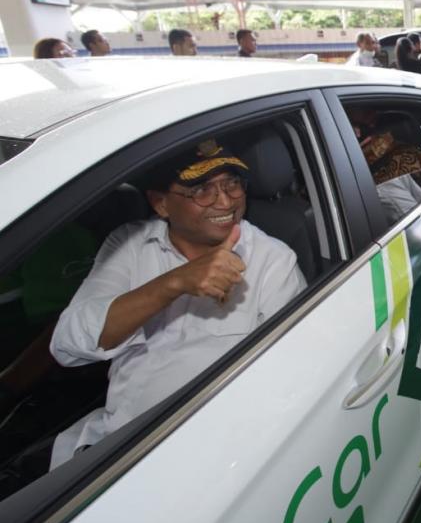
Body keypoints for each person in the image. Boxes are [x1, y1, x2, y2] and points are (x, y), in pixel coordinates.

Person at [49, 139, 307, 468]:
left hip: (219, 452)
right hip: (118, 442)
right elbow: (68, 345)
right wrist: (174, 282)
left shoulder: (272, 261)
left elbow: (290, 380)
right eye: (202, 189)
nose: (225, 201)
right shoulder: (131, 244)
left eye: (232, 183)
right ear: (161, 204)